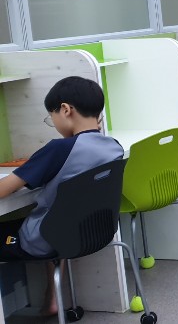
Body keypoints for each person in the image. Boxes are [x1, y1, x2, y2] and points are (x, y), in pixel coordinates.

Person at [0, 76, 123, 316]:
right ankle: (52, 300)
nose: (53, 123)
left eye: (52, 117)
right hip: (89, 232)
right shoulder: (113, 146)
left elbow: (5, 188)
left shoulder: (58, 149)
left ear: (66, 110)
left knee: (49, 222)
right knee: (58, 216)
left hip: (44, 239)